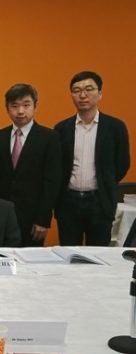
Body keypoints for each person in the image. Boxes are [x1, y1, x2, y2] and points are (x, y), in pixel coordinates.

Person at [55, 71, 130, 246]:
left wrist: (105, 183)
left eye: (89, 89)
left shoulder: (115, 127)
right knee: (68, 255)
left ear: (100, 94)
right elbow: (57, 167)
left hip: (100, 202)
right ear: (71, 95)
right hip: (68, 202)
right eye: (76, 90)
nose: (83, 95)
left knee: (98, 256)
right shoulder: (61, 128)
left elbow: (122, 164)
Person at [0, 83, 61, 246]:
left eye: (26, 105)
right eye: (14, 106)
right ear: (7, 108)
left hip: (33, 217)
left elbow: (52, 182)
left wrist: (43, 219)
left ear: (35, 106)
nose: (20, 111)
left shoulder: (49, 137)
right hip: (0, 215)